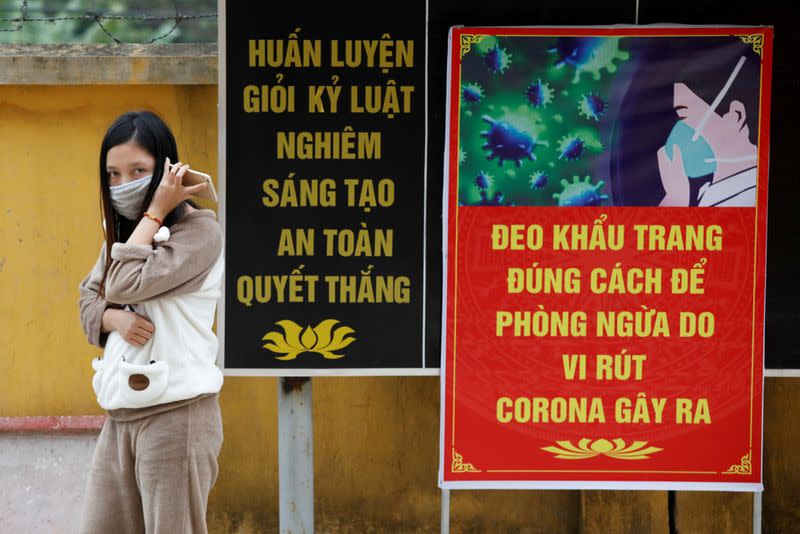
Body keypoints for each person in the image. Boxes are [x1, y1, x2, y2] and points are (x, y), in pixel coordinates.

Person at [77, 111, 224, 533]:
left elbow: (120, 282)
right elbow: (88, 299)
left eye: (138, 171)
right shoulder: (126, 238)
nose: (123, 185)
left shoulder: (200, 233)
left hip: (177, 417)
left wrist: (158, 209)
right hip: (120, 417)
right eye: (113, 174)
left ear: (165, 170)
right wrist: (113, 319)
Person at [610, 37, 761, 207]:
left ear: (736, 115)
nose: (679, 130)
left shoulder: (753, 198)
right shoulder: (707, 193)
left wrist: (677, 199)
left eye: (683, 116)